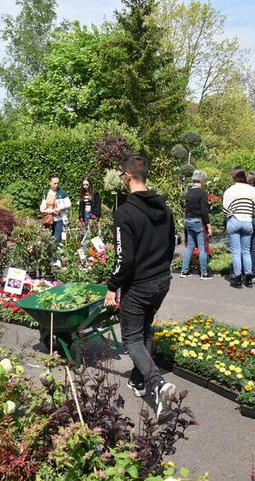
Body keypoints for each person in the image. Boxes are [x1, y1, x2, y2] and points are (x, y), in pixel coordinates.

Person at [103, 155, 177, 418]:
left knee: (131, 338)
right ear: (145, 175)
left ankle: (157, 384)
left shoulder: (125, 212)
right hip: (161, 281)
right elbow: (172, 244)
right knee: (144, 327)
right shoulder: (165, 208)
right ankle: (138, 380)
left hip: (140, 284)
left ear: (126, 176)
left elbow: (124, 258)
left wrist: (113, 286)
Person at [222, 167, 255, 288]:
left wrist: (227, 218)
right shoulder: (252, 190)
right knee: (246, 251)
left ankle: (237, 279)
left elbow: (225, 209)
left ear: (234, 177)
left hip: (234, 220)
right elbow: (253, 205)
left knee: (236, 252)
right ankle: (248, 279)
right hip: (247, 221)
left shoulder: (230, 190)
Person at [180, 170, 212, 279]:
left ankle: (184, 271)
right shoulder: (202, 193)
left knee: (190, 246)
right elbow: (204, 211)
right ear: (202, 180)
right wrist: (208, 226)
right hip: (198, 222)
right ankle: (204, 273)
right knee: (202, 248)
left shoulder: (189, 192)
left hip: (188, 221)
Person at [39, 175, 71, 245]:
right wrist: (45, 210)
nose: (56, 185)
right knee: (48, 240)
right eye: (54, 183)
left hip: (59, 219)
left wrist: (60, 207)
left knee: (57, 240)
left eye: (57, 183)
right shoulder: (46, 193)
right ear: (50, 183)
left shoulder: (62, 192)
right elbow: (42, 206)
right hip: (48, 220)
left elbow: (69, 204)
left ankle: (57, 255)